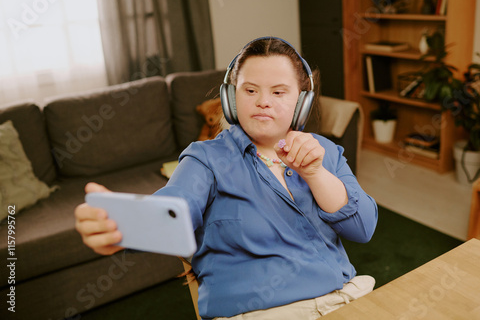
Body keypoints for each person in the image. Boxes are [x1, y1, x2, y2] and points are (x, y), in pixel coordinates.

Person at [75, 36, 378, 320]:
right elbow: (172, 208)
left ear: (302, 102)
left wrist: (315, 173)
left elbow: (362, 229)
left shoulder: (324, 151)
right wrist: (120, 226)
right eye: (250, 90)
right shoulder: (206, 159)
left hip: (342, 300)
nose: (263, 101)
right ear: (231, 98)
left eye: (278, 91)